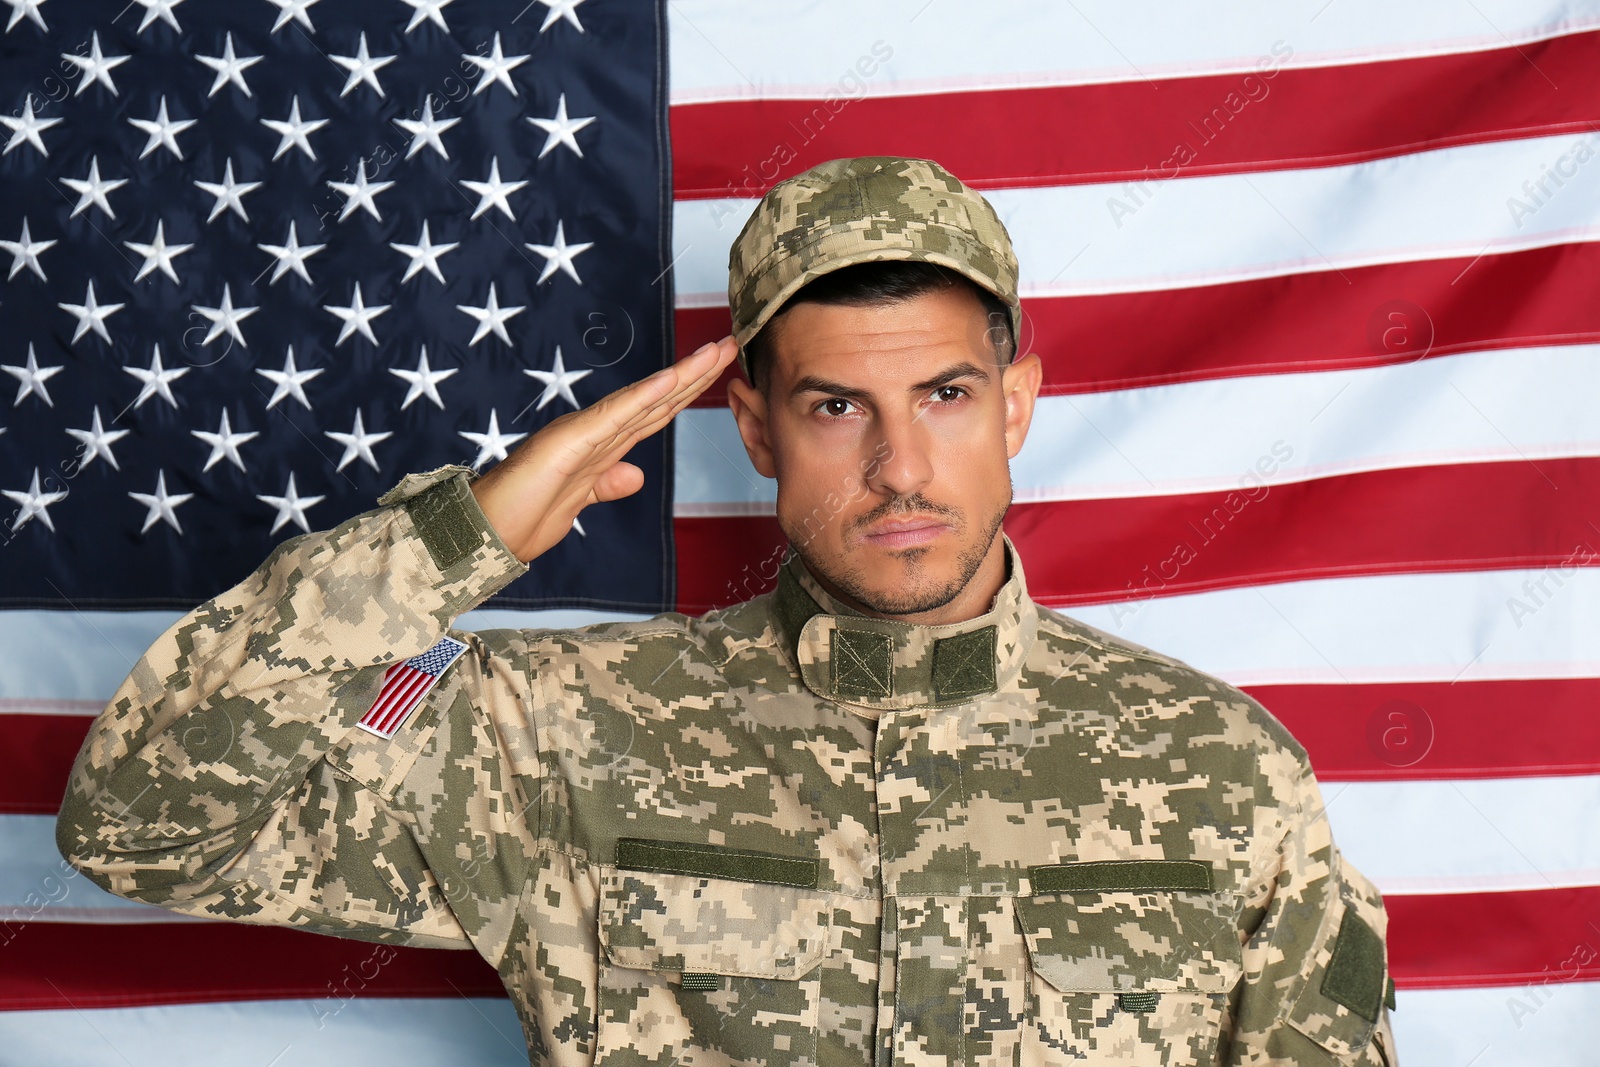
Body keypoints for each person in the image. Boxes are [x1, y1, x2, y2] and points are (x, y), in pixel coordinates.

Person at [58, 156, 1397, 1066]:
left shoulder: (1220, 770)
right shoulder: (564, 733)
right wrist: (461, 537)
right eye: (834, 409)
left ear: (1018, 404)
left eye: (944, 396)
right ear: (753, 428)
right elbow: (147, 823)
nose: (900, 469)